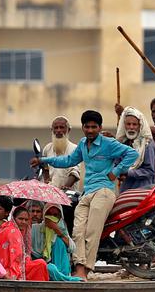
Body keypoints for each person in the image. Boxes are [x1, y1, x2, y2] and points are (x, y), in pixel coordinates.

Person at [32, 109, 138, 279]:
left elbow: (132, 153)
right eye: (87, 127)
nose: (90, 130)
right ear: (82, 127)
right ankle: (79, 265)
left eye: (94, 127)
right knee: (77, 232)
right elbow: (68, 161)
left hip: (104, 191)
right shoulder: (82, 144)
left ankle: (85, 270)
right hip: (87, 193)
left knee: (92, 232)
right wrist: (43, 160)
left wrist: (116, 171)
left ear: (100, 127)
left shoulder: (108, 143)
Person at [116, 97, 155, 208]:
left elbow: (147, 130)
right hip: (134, 187)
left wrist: (125, 113)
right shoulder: (126, 143)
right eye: (153, 111)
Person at [0, 207, 50, 281]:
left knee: (41, 263)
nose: (23, 222)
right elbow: (16, 257)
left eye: (26, 220)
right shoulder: (13, 231)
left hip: (6, 266)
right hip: (10, 269)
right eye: (20, 219)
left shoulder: (14, 229)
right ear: (14, 218)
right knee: (41, 264)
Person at [115, 106, 155, 192]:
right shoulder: (122, 144)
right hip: (126, 190)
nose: (131, 127)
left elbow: (149, 171)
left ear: (140, 126)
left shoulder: (147, 144)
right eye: (128, 124)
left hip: (143, 190)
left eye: (134, 124)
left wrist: (128, 172)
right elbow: (116, 164)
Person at [35, 204, 80, 281]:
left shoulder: (62, 228)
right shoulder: (37, 228)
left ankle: (61, 275)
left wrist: (57, 231)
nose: (52, 217)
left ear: (60, 216)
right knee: (50, 268)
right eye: (49, 214)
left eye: (55, 215)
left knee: (59, 242)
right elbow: (35, 251)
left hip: (61, 267)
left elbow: (72, 248)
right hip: (43, 264)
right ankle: (64, 278)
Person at [41, 116, 81, 192]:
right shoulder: (47, 148)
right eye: (56, 128)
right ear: (52, 130)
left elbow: (74, 173)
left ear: (68, 130)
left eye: (62, 127)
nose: (59, 130)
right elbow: (45, 168)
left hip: (69, 194)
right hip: (51, 193)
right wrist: (47, 181)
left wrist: (65, 188)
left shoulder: (75, 148)